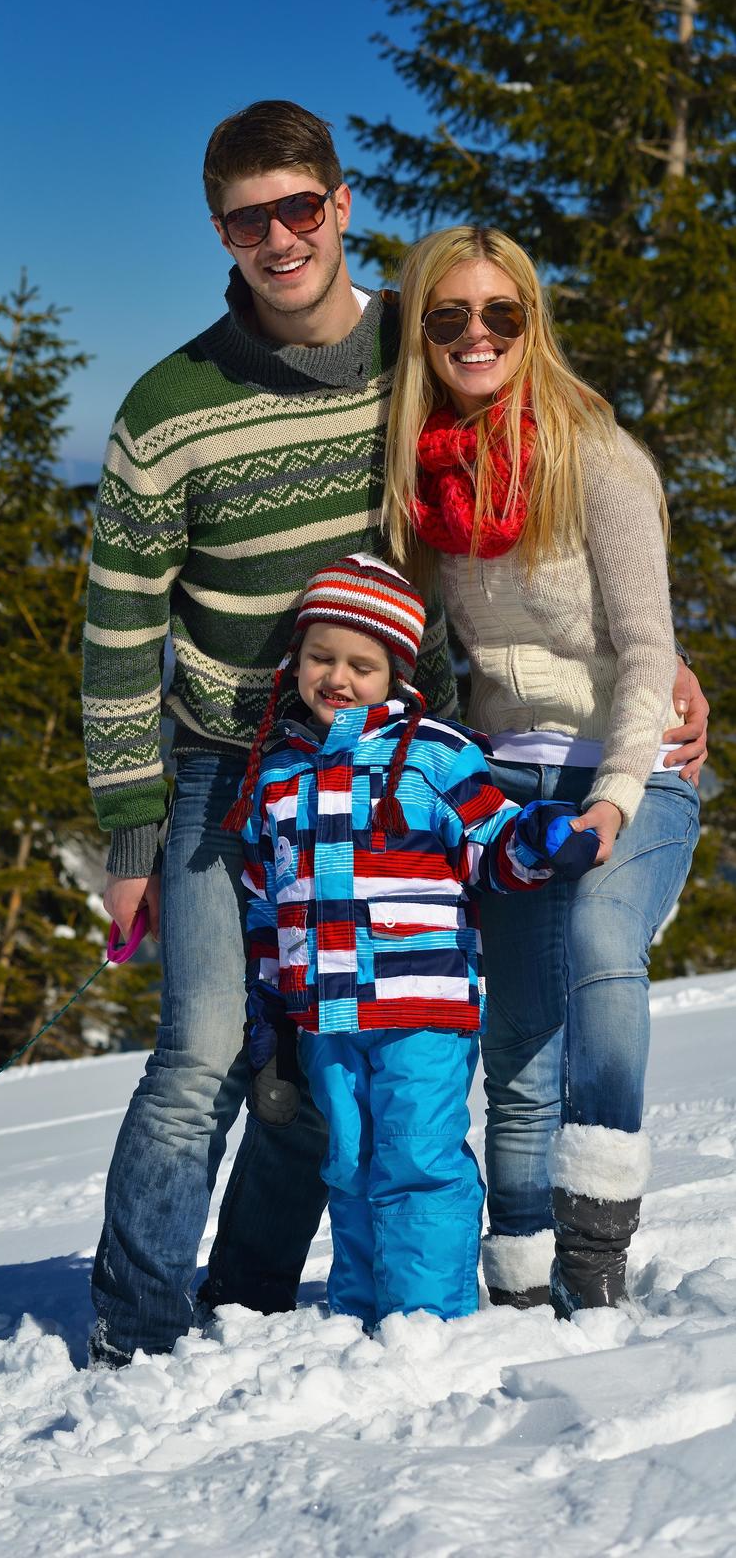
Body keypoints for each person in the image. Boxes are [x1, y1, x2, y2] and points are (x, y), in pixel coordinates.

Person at [82, 102, 707, 1365]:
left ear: (341, 204)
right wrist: (130, 825)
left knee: (349, 1037)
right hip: (227, 764)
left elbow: (544, 519)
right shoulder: (170, 405)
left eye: (298, 209)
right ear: (221, 230)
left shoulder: (413, 349)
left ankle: (265, 1290)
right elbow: (114, 625)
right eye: (249, 219)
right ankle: (139, 1326)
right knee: (212, 1043)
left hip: (393, 768)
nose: (278, 238)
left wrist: (665, 672)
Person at [382, 225, 702, 1316]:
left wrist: (617, 794)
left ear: (532, 323)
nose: (478, 335)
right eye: (450, 317)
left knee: (602, 941)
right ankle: (517, 1265)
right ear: (422, 334)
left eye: (501, 315)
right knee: (516, 1027)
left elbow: (649, 650)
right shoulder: (421, 479)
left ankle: (596, 1242)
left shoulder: (596, 455)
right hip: (506, 780)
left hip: (634, 764)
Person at [229, 552, 596, 1326]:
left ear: (394, 671)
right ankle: (367, 1312)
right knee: (350, 1162)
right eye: (321, 656)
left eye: (361, 664)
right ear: (296, 660)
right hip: (325, 1017)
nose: (337, 677)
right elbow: (266, 903)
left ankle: (428, 1318)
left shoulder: (432, 753)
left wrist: (540, 838)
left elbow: (489, 841)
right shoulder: (275, 778)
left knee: (419, 1159)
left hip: (419, 1009)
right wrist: (268, 1003)